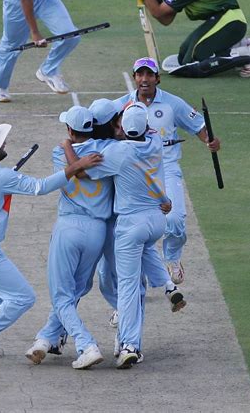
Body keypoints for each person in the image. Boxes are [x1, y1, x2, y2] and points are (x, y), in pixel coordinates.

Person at [0, 122, 102, 369]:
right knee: (22, 298)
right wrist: (76, 166)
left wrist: (8, 181)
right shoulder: (1, 176)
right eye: (1, 142)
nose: (5, 144)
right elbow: (40, 187)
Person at [113, 56, 221, 285]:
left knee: (174, 219)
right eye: (140, 74)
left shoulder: (173, 103)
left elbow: (200, 126)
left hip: (166, 167)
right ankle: (137, 275)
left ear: (157, 78)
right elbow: (106, 128)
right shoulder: (122, 105)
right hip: (134, 171)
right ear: (134, 78)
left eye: (149, 74)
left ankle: (172, 257)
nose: (144, 79)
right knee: (133, 224)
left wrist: (209, 141)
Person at [80, 103, 172, 369]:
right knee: (144, 262)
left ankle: (129, 345)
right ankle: (168, 286)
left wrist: (69, 151)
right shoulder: (155, 141)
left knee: (129, 287)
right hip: (156, 219)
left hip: (130, 225)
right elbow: (147, 129)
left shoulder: (117, 152)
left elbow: (84, 172)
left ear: (122, 128)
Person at [25, 106, 114, 370]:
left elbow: (71, 172)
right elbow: (84, 170)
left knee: (61, 295)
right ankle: (45, 339)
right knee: (75, 289)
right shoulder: (107, 151)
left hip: (69, 226)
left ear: (69, 130)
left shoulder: (59, 151)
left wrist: (66, 146)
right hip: (97, 230)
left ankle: (86, 345)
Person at [122, 0, 250, 78]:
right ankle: (237, 45)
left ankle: (246, 54)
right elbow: (166, 20)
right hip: (221, 20)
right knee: (183, 56)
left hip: (232, 22)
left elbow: (158, 13)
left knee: (196, 56)